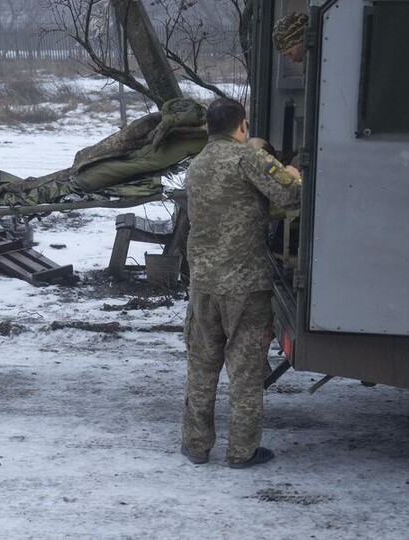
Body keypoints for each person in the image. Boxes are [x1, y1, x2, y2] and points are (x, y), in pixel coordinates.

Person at [180, 97, 302, 468]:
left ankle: (196, 445)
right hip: (244, 285)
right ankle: (241, 451)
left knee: (202, 366)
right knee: (245, 370)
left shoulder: (196, 165)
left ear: (207, 128)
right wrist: (295, 171)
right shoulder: (247, 157)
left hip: (203, 282)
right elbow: (291, 194)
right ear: (242, 126)